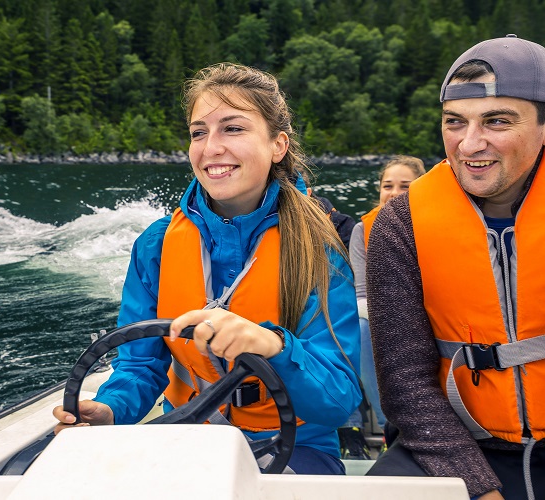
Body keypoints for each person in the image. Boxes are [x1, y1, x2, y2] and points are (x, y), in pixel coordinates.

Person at [53, 62, 362, 475]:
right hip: (186, 435)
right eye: (199, 132)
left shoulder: (318, 250)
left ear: (278, 145)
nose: (211, 147)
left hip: (296, 445)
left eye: (232, 128)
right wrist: (110, 411)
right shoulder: (156, 246)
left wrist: (273, 346)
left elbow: (339, 399)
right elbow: (139, 366)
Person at [365, 35, 545, 500]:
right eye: (454, 122)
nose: (470, 144)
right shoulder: (401, 222)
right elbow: (406, 386)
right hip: (458, 442)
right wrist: (478, 488)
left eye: (497, 121)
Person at [347, 156, 426, 438]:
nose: (394, 193)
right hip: (380, 315)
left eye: (405, 186)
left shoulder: (436, 228)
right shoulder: (362, 231)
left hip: (428, 315)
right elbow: (361, 292)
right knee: (360, 326)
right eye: (387, 185)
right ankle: (387, 429)